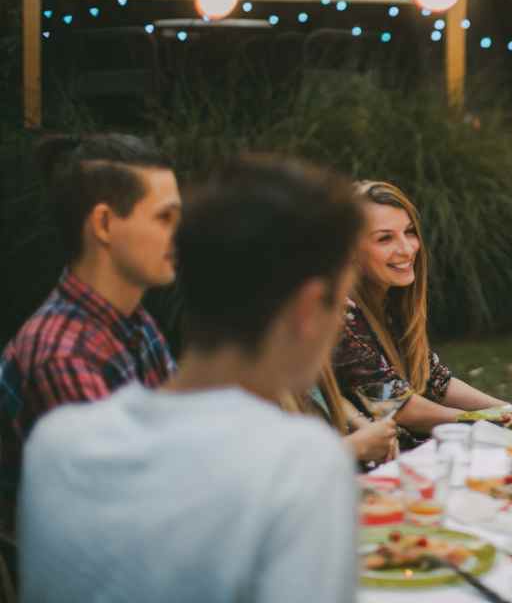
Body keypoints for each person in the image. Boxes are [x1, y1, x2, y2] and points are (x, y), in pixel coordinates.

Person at [20, 155, 365, 603]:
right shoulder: (299, 465)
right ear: (307, 309)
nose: (342, 321)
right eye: (341, 305)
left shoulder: (56, 442)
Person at [0, 134, 180, 532]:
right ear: (103, 224)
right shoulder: (63, 355)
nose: (178, 235)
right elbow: (133, 512)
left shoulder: (135, 323)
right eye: (164, 218)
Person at [334, 181, 505, 450]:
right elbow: (398, 407)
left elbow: (434, 380)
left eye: (410, 232)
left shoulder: (391, 301)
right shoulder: (342, 317)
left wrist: (511, 410)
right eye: (385, 238)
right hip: (373, 472)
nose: (406, 249)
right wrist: (496, 421)